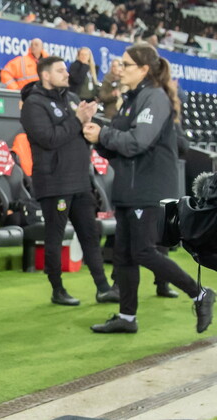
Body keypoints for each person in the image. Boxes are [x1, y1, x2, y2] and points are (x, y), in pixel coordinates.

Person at [84, 43, 215, 335]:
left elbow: (137, 141)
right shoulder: (131, 100)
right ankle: (127, 318)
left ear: (143, 69)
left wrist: (103, 133)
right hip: (130, 190)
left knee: (144, 252)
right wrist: (96, 135)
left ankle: (200, 293)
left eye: (126, 64)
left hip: (149, 189)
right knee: (124, 256)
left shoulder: (154, 97)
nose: (120, 68)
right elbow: (116, 148)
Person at [20, 58, 118, 307]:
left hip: (81, 180)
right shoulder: (33, 104)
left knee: (90, 234)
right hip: (54, 183)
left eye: (66, 69)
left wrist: (88, 127)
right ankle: (57, 289)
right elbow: (49, 138)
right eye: (60, 70)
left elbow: (76, 132)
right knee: (55, 237)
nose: (66, 74)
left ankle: (103, 288)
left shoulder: (72, 98)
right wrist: (77, 120)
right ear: (45, 75)